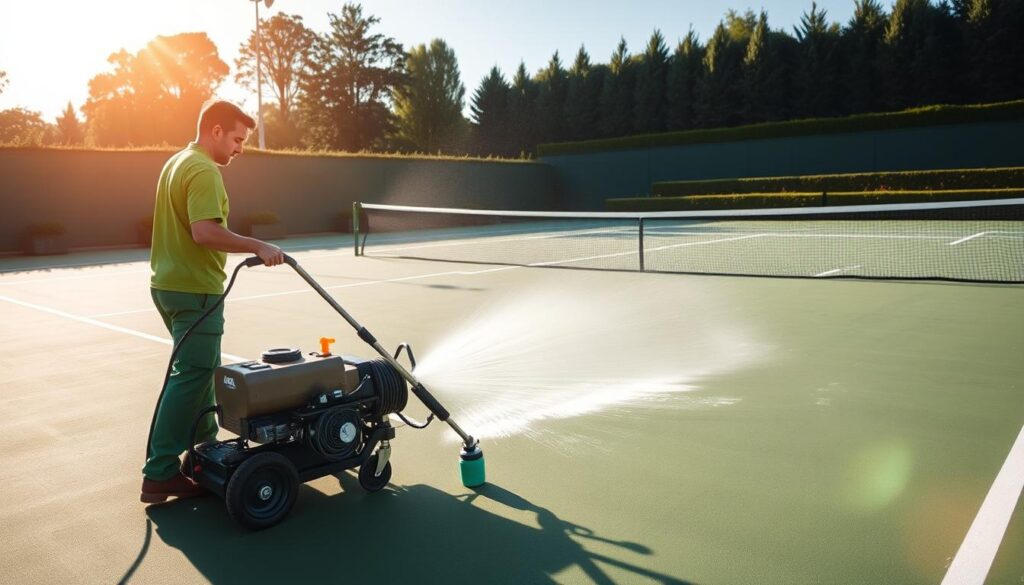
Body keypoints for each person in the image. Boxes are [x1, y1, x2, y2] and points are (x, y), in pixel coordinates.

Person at [141, 99, 284, 504]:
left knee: (201, 370)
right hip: (194, 290)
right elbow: (204, 232)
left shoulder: (177, 162)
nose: (240, 148)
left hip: (168, 287)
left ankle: (202, 452)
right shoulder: (203, 169)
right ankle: (160, 472)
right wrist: (258, 245)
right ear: (215, 130)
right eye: (237, 139)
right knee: (191, 376)